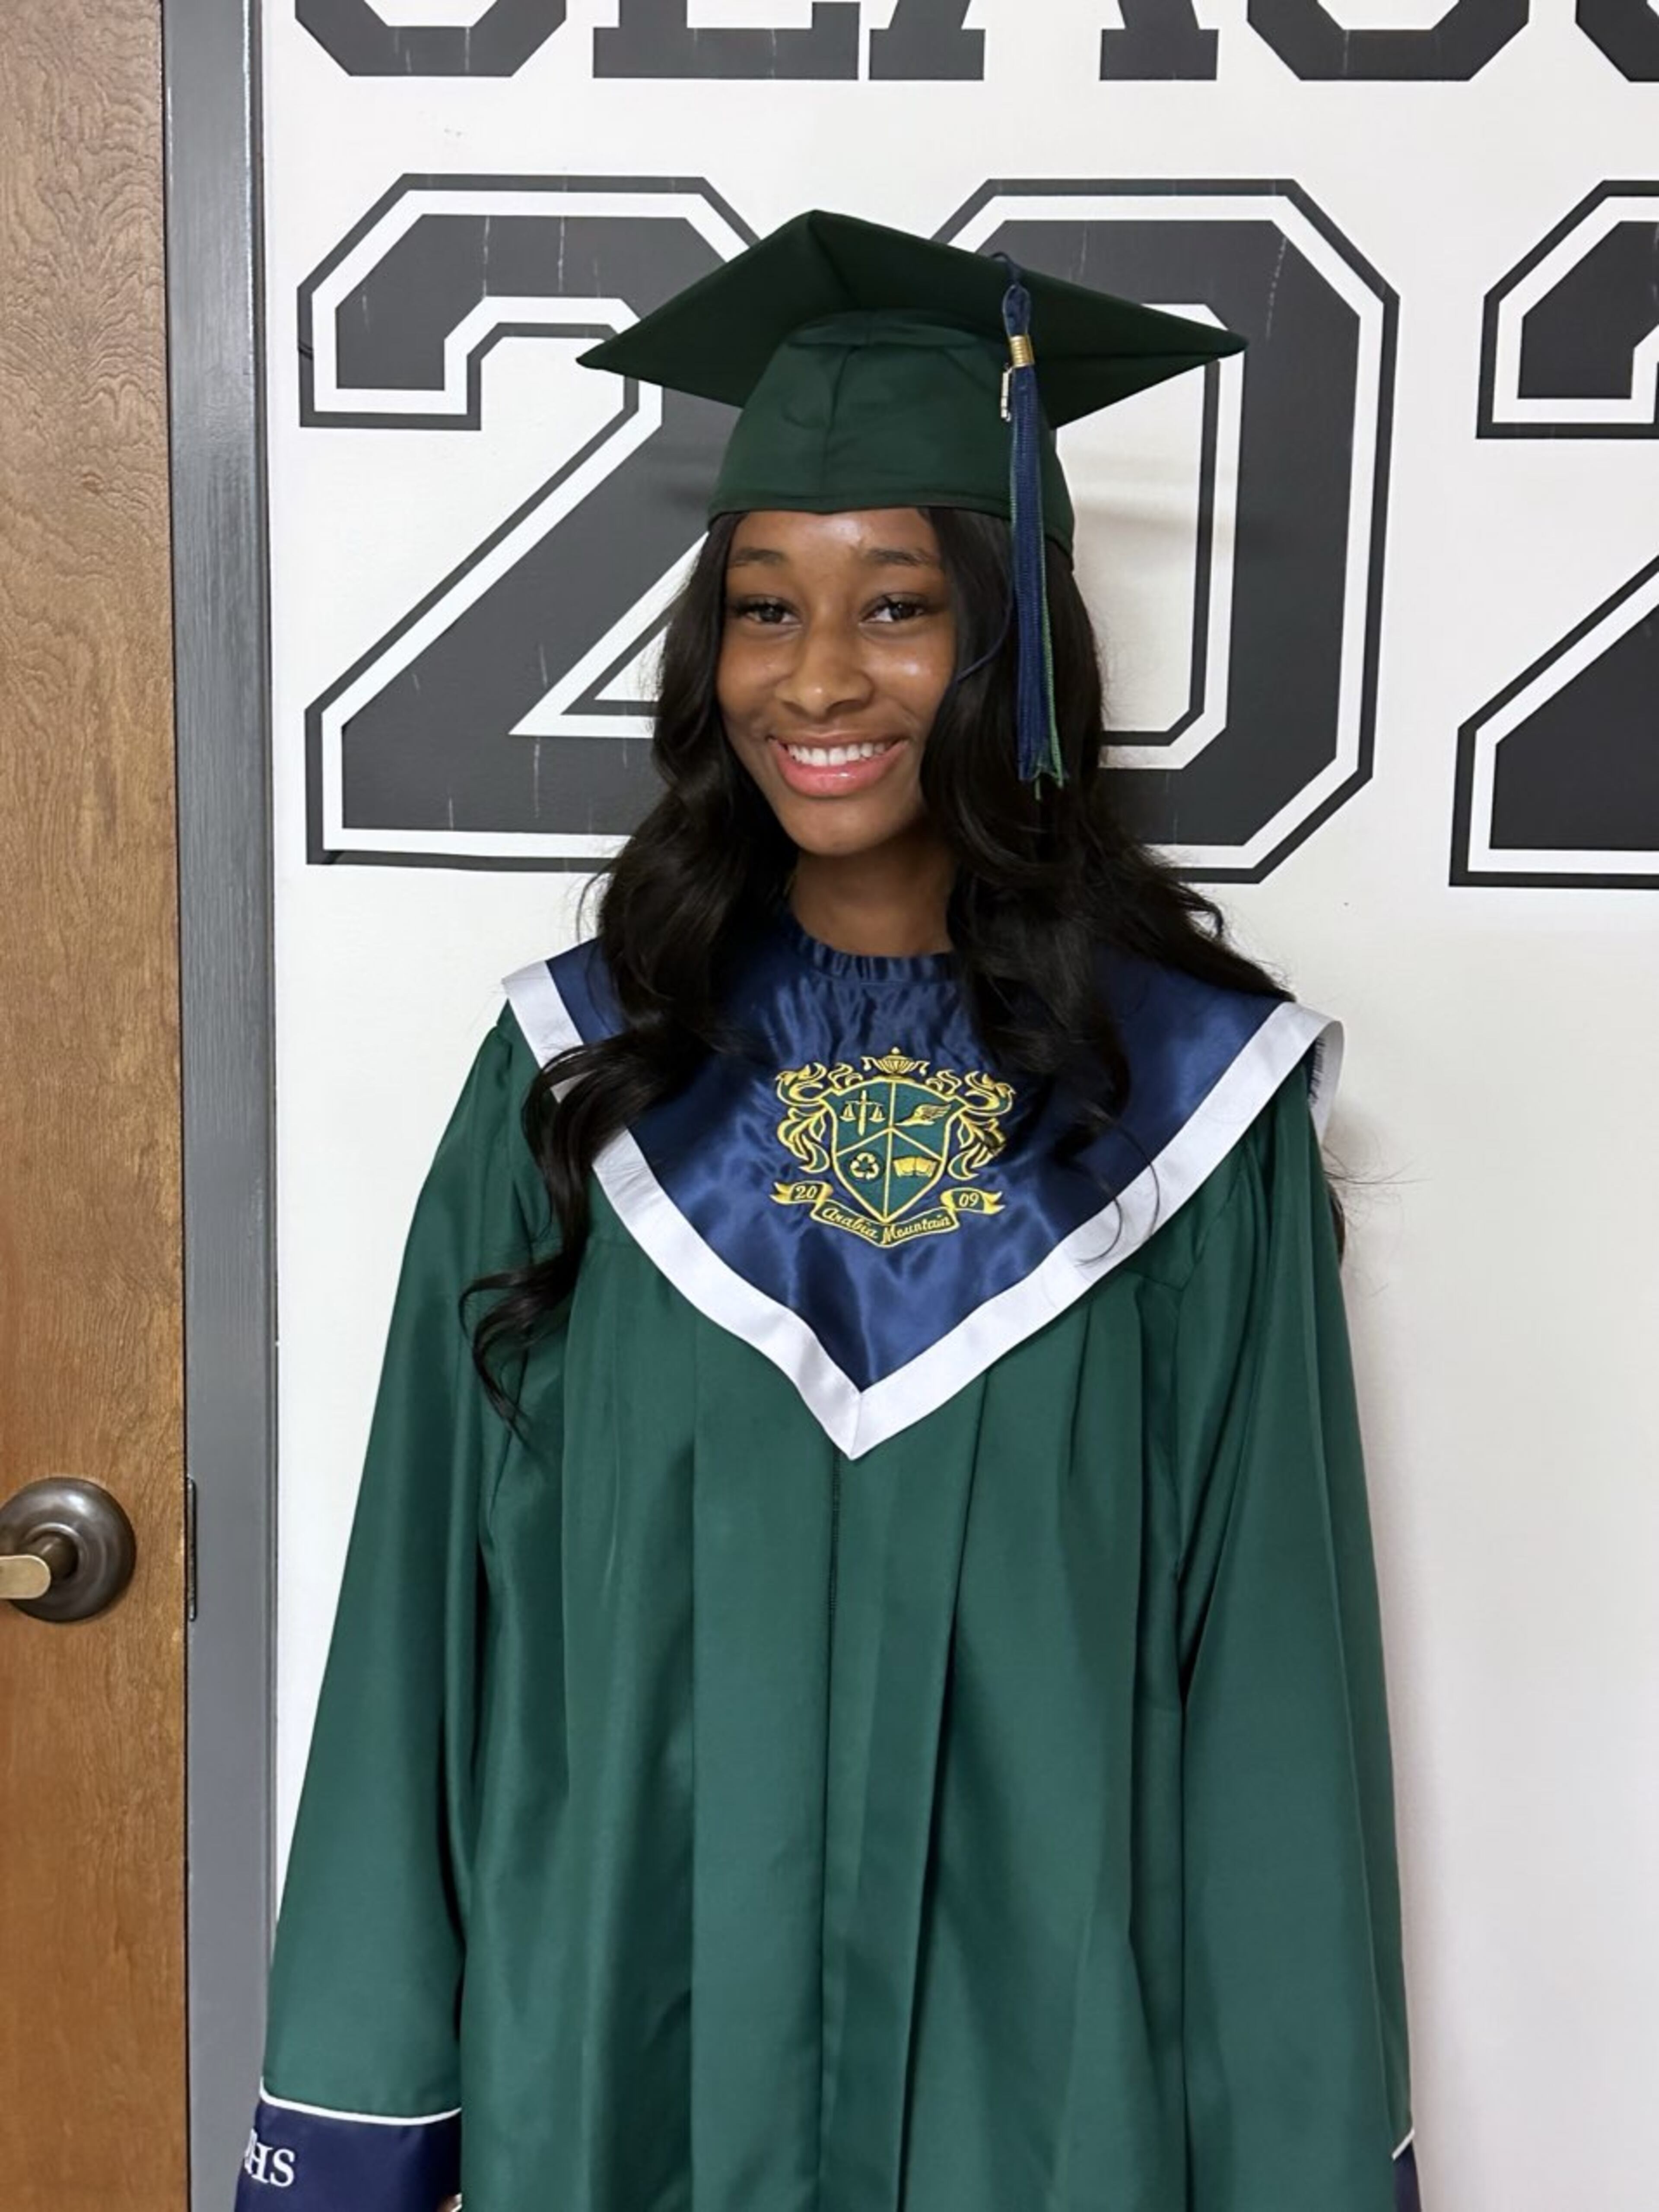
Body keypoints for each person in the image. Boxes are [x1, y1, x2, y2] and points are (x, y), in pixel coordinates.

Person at [235, 211, 1419, 2212]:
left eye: (900, 606)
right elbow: (415, 1649)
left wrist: (1303, 2162)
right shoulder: (582, 1083)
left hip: (1043, 2119)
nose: (818, 676)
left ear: (1015, 647)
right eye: (763, 608)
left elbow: (1276, 1718)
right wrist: (359, 2124)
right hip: (618, 2078)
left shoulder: (1188, 1117)